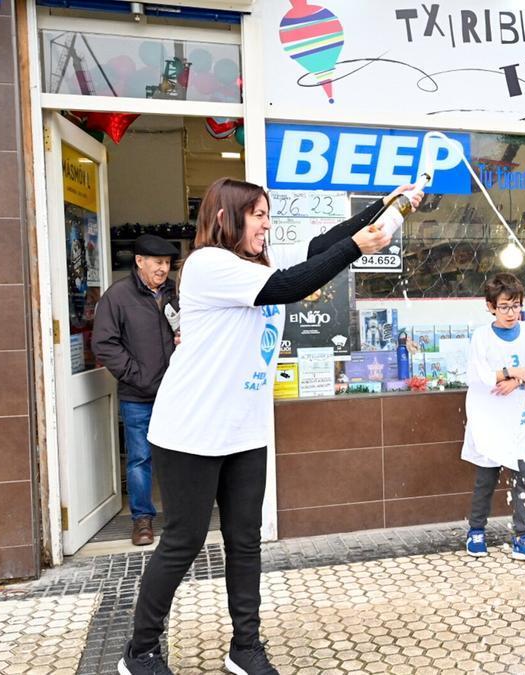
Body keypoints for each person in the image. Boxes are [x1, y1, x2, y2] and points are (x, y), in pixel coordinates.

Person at [118, 178, 420, 675]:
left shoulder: (257, 263)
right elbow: (290, 285)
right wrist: (356, 248)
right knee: (183, 541)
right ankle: (141, 651)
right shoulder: (209, 266)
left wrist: (386, 206)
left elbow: (321, 248)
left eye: (267, 213)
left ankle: (245, 648)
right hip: (190, 431)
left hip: (245, 430)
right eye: (256, 214)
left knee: (244, 540)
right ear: (224, 218)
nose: (265, 222)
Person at [92, 234, 180, 546]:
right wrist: (136, 375)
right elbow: (104, 343)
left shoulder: (175, 293)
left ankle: (181, 516)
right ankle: (142, 520)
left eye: (168, 263)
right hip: (138, 394)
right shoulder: (118, 296)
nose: (163, 269)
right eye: (157, 262)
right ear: (139, 261)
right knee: (141, 458)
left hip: (175, 392)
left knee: (178, 457)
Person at [462, 273, 525, 564]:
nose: (511, 313)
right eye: (504, 307)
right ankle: (476, 531)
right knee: (485, 477)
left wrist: (516, 381)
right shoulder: (481, 336)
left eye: (515, 306)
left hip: (518, 415)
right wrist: (513, 372)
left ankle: (524, 537)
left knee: (523, 476)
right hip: (488, 413)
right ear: (490, 307)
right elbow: (479, 373)